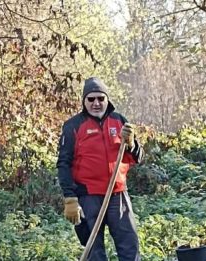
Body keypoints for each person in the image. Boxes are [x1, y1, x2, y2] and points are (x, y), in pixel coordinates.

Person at [56, 77, 143, 261]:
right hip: (88, 197)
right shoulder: (73, 126)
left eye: (100, 99)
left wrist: (131, 143)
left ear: (107, 100)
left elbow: (138, 157)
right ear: (84, 101)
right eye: (91, 99)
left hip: (118, 196)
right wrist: (70, 197)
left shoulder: (120, 121)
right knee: (93, 252)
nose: (96, 103)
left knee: (130, 247)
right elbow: (63, 163)